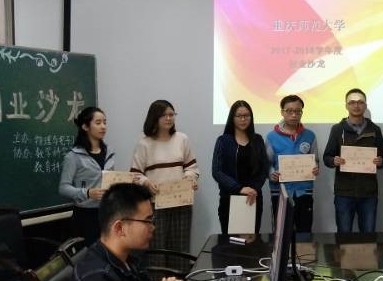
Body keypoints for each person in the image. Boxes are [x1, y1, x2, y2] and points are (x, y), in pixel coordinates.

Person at [131, 100, 199, 253]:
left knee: (180, 250)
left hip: (181, 203)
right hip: (155, 205)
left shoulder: (182, 139)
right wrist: (146, 182)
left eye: (171, 114)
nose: (169, 118)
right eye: (164, 115)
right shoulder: (144, 144)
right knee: (156, 249)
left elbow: (191, 167)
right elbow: (135, 175)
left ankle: (179, 271)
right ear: (154, 117)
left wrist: (190, 177)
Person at [323, 88, 383, 233]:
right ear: (346, 105)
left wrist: (380, 161)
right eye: (352, 102)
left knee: (368, 234)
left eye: (360, 102)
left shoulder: (375, 129)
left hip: (368, 192)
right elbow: (327, 157)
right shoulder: (337, 129)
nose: (356, 105)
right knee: (344, 234)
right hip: (344, 192)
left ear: (365, 105)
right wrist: (334, 161)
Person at [59, 106, 119, 245]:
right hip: (85, 216)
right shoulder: (74, 156)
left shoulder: (109, 152)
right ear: (85, 126)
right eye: (98, 123)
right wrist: (87, 193)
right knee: (89, 255)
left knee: (108, 253)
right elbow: (63, 188)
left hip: (108, 213)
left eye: (104, 122)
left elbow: (111, 179)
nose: (103, 126)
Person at [211, 100, 270, 234]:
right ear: (232, 118)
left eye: (246, 115)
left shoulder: (257, 140)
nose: (243, 119)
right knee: (231, 242)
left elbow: (263, 169)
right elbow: (216, 171)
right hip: (230, 199)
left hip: (253, 198)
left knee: (251, 241)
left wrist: (253, 188)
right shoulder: (223, 140)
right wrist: (240, 188)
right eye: (239, 116)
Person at [266, 94, 320, 233]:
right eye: (289, 111)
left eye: (298, 111)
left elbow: (316, 161)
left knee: (305, 232)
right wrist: (272, 174)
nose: (294, 115)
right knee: (281, 233)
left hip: (304, 192)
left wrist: (316, 169)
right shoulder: (272, 137)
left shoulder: (310, 135)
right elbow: (267, 163)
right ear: (282, 112)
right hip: (280, 193)